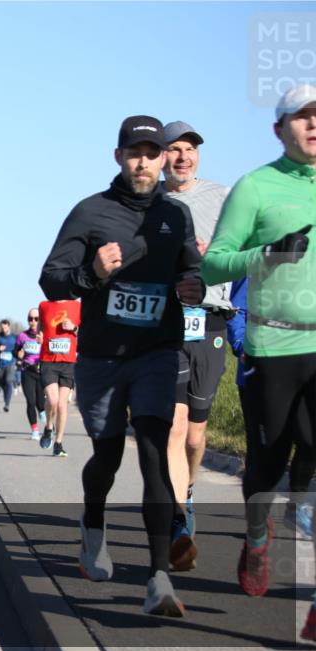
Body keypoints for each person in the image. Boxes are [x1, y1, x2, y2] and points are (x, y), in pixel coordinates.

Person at [40, 115, 204, 617]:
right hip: (102, 358)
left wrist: (192, 285)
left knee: (155, 452)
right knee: (107, 456)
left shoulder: (176, 216)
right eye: (134, 152)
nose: (144, 161)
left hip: (158, 352)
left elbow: (189, 270)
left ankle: (158, 579)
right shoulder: (90, 213)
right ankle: (93, 526)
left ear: (162, 160)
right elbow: (51, 281)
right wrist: (92, 272)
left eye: (152, 153)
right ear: (118, 157)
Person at [201, 85, 316, 636]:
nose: (314, 124)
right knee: (267, 468)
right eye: (303, 117)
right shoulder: (256, 187)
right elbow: (213, 266)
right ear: (279, 129)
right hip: (274, 347)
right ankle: (256, 539)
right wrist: (267, 254)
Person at [160, 121, 235, 571]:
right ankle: (178, 520)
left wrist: (216, 256)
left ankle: (187, 489)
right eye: (174, 150)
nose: (182, 157)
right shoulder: (149, 204)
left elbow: (248, 251)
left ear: (198, 156)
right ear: (161, 157)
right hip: (166, 324)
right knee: (173, 424)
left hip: (210, 321)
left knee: (195, 434)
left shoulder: (224, 198)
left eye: (189, 149)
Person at [226, 277, 314, 540]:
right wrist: (243, 345)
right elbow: (236, 310)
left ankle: (296, 505)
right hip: (259, 372)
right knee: (263, 453)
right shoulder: (259, 258)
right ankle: (257, 527)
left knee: (310, 442)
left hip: (304, 371)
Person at [38, 299, 81, 457]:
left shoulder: (77, 306)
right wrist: (39, 335)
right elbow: (41, 327)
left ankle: (58, 443)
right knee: (53, 400)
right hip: (48, 361)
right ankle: (49, 427)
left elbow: (87, 332)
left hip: (68, 362)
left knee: (62, 404)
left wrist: (74, 328)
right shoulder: (44, 305)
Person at [15, 309, 46, 441]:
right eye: (30, 318)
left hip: (42, 371)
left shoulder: (45, 334)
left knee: (41, 404)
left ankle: (46, 422)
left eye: (36, 318)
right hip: (27, 371)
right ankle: (35, 430)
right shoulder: (22, 336)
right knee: (30, 402)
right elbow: (15, 351)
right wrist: (18, 355)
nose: (33, 321)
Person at [0, 320, 17, 412]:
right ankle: (6, 394)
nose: (4, 329)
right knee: (2, 382)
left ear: (9, 326)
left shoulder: (14, 337)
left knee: (8, 381)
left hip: (11, 362)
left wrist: (19, 356)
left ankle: (7, 404)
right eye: (2, 327)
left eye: (5, 327)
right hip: (0, 363)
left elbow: (19, 347)